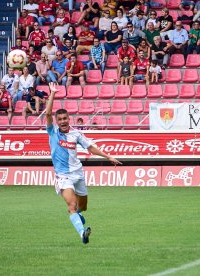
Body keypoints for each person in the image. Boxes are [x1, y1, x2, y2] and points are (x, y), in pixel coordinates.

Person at [45, 82, 122, 244]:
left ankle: (78, 217)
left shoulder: (76, 134)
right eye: (60, 119)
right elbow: (48, 113)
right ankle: (82, 233)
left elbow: (91, 147)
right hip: (63, 176)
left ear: (68, 118)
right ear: (57, 121)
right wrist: (52, 93)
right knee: (71, 205)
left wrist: (108, 157)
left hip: (78, 174)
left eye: (65, 118)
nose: (63, 121)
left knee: (83, 207)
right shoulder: (53, 132)